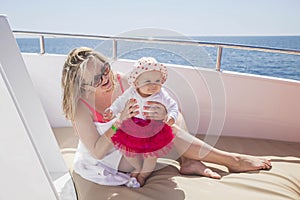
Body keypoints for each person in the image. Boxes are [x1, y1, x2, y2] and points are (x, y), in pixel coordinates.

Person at [61, 47, 271, 188]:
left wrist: (162, 113)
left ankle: (188, 160)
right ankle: (231, 160)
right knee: (166, 131)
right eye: (97, 79)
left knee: (173, 118)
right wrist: (119, 121)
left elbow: (162, 101)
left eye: (105, 69)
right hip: (110, 157)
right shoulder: (80, 107)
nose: (106, 79)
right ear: (83, 86)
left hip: (131, 138)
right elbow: (98, 151)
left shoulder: (122, 81)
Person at [103, 57, 178, 186]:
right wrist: (112, 110)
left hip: (153, 129)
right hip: (133, 126)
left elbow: (173, 106)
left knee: (151, 155)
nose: (153, 85)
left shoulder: (161, 94)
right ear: (136, 83)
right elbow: (120, 102)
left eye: (158, 81)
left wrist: (171, 117)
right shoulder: (131, 92)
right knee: (127, 151)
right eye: (147, 81)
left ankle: (144, 174)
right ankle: (137, 167)